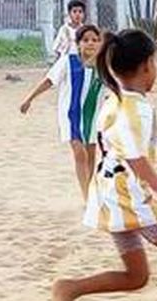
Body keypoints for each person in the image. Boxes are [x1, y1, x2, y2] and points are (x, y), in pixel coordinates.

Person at [50, 29, 157, 301]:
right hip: (131, 198)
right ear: (147, 67)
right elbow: (135, 159)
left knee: (136, 276)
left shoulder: (113, 100)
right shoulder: (136, 109)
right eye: (155, 63)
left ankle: (70, 288)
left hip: (108, 197)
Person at [20, 24, 105, 198]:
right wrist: (30, 98)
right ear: (78, 43)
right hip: (71, 116)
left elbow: (117, 85)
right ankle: (86, 197)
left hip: (92, 117)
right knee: (79, 153)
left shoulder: (104, 66)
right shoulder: (68, 61)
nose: (91, 44)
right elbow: (49, 81)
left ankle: (90, 191)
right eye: (86, 40)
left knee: (90, 155)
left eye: (95, 40)